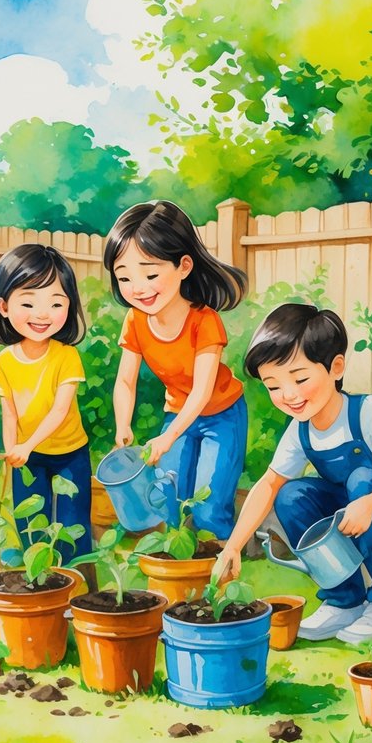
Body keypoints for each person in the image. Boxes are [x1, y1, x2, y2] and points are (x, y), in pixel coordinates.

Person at [214, 303, 372, 643]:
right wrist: (233, 547)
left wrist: (369, 503)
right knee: (291, 496)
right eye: (273, 385)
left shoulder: (370, 411)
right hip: (357, 504)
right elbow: (269, 483)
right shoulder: (300, 430)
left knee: (362, 481)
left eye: (300, 378)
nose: (288, 395)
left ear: (336, 367)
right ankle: (344, 600)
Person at [104, 200, 249, 538]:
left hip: (222, 415)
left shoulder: (204, 321)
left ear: (184, 266)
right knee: (168, 499)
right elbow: (125, 380)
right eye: (124, 277)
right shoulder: (136, 320)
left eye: (150, 273)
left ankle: (223, 573)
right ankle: (178, 579)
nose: (137, 288)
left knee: (209, 507)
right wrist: (123, 425)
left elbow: (201, 392)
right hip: (178, 413)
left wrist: (168, 436)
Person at [0, 244, 91, 562]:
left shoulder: (66, 356)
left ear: (69, 306)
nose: (42, 315)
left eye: (56, 303)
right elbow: (9, 412)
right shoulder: (5, 360)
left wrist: (27, 445)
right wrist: (12, 451)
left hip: (69, 453)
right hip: (27, 455)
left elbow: (60, 410)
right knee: (29, 523)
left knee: (73, 527)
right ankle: (42, 585)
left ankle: (82, 589)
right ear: (3, 307)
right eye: (28, 303)